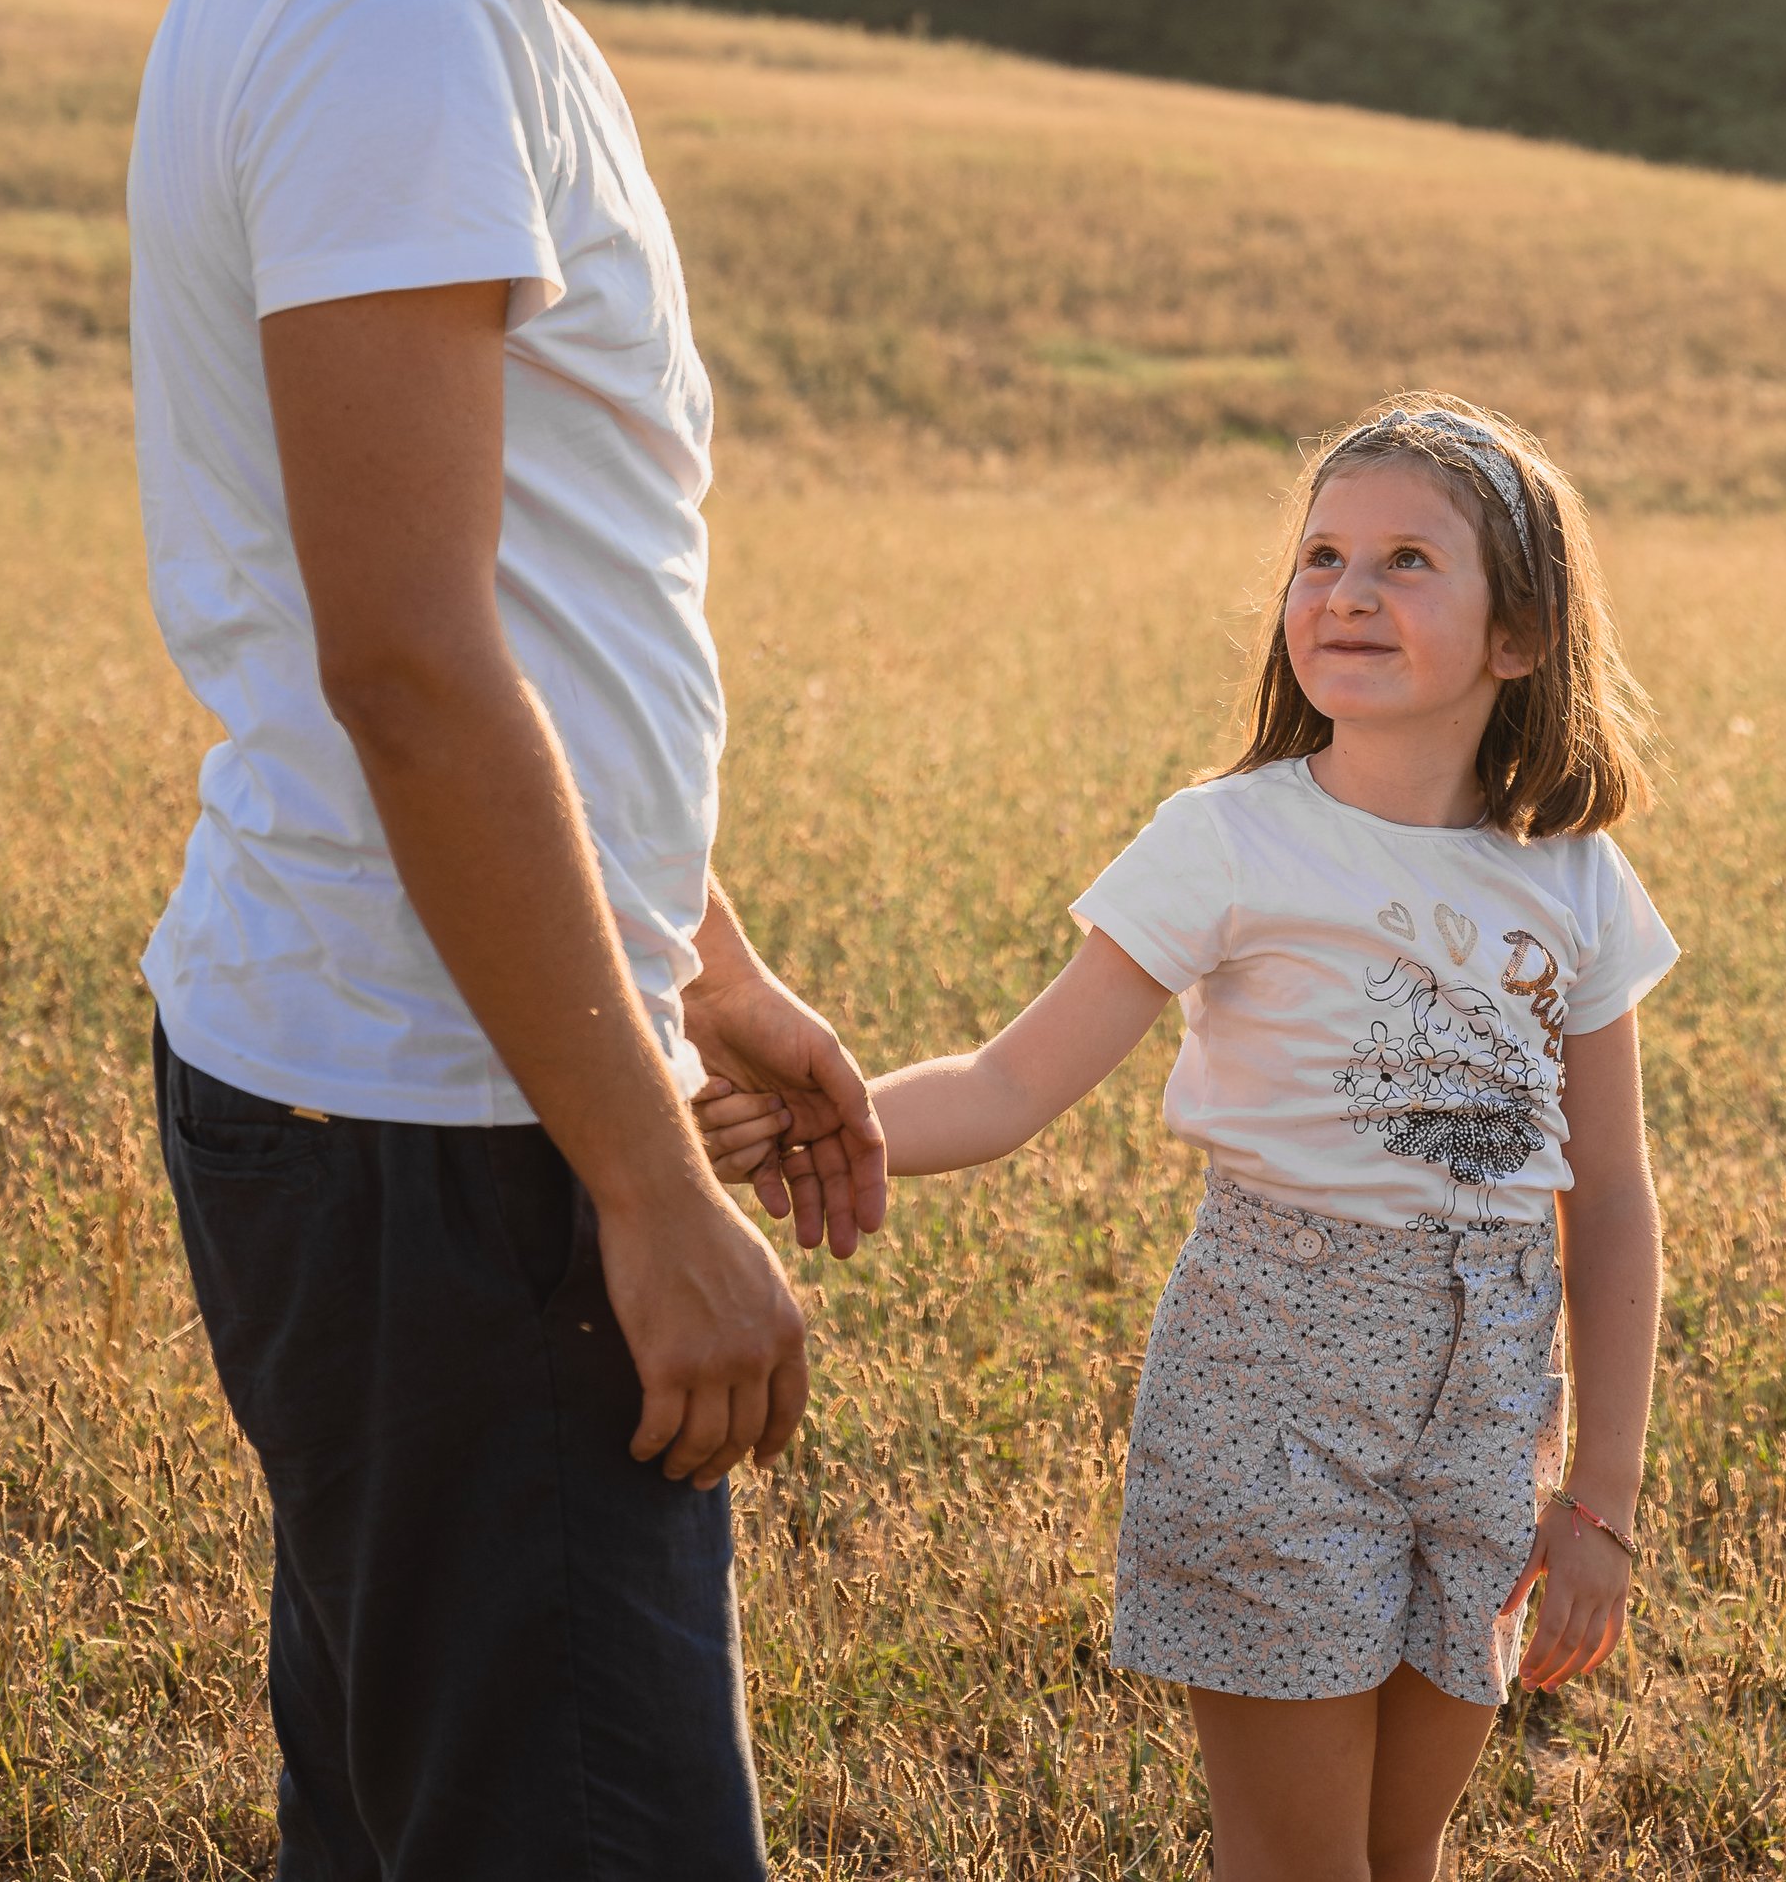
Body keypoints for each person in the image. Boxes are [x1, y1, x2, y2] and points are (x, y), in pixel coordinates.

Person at [130, 0, 891, 1882]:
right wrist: (647, 1189)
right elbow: (409, 658)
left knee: (408, 1820)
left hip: (448, 1077)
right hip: (444, 1126)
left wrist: (703, 963)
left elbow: (531, 589)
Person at [702, 395, 1674, 1882]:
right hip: (1275, 1383)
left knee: (1399, 1857)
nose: (1346, 590)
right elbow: (1008, 1082)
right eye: (1321, 555)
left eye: (1408, 560)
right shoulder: (1229, 840)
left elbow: (1609, 1200)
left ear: (1522, 635)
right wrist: (820, 1119)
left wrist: (1600, 1493)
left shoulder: (1576, 878)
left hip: (1489, 1403)